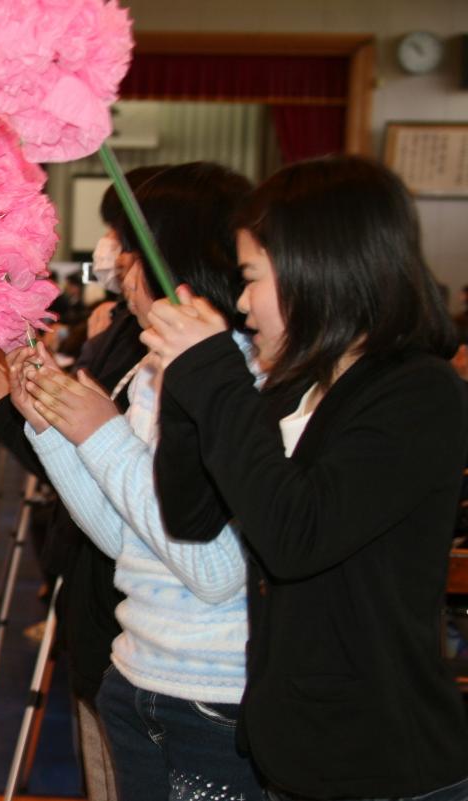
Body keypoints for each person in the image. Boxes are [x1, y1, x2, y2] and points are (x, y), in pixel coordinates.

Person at [143, 155, 468, 800]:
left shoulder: (418, 392)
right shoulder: (299, 386)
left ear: (316, 269)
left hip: (377, 760)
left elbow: (296, 536)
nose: (240, 303)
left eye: (252, 279)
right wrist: (184, 389)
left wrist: (214, 379)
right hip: (292, 746)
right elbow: (191, 513)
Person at [8, 162, 264, 801]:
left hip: (213, 692)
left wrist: (99, 432)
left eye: (126, 245)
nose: (117, 264)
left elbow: (213, 569)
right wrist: (50, 423)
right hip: (141, 669)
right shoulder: (157, 370)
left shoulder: (237, 375)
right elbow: (126, 540)